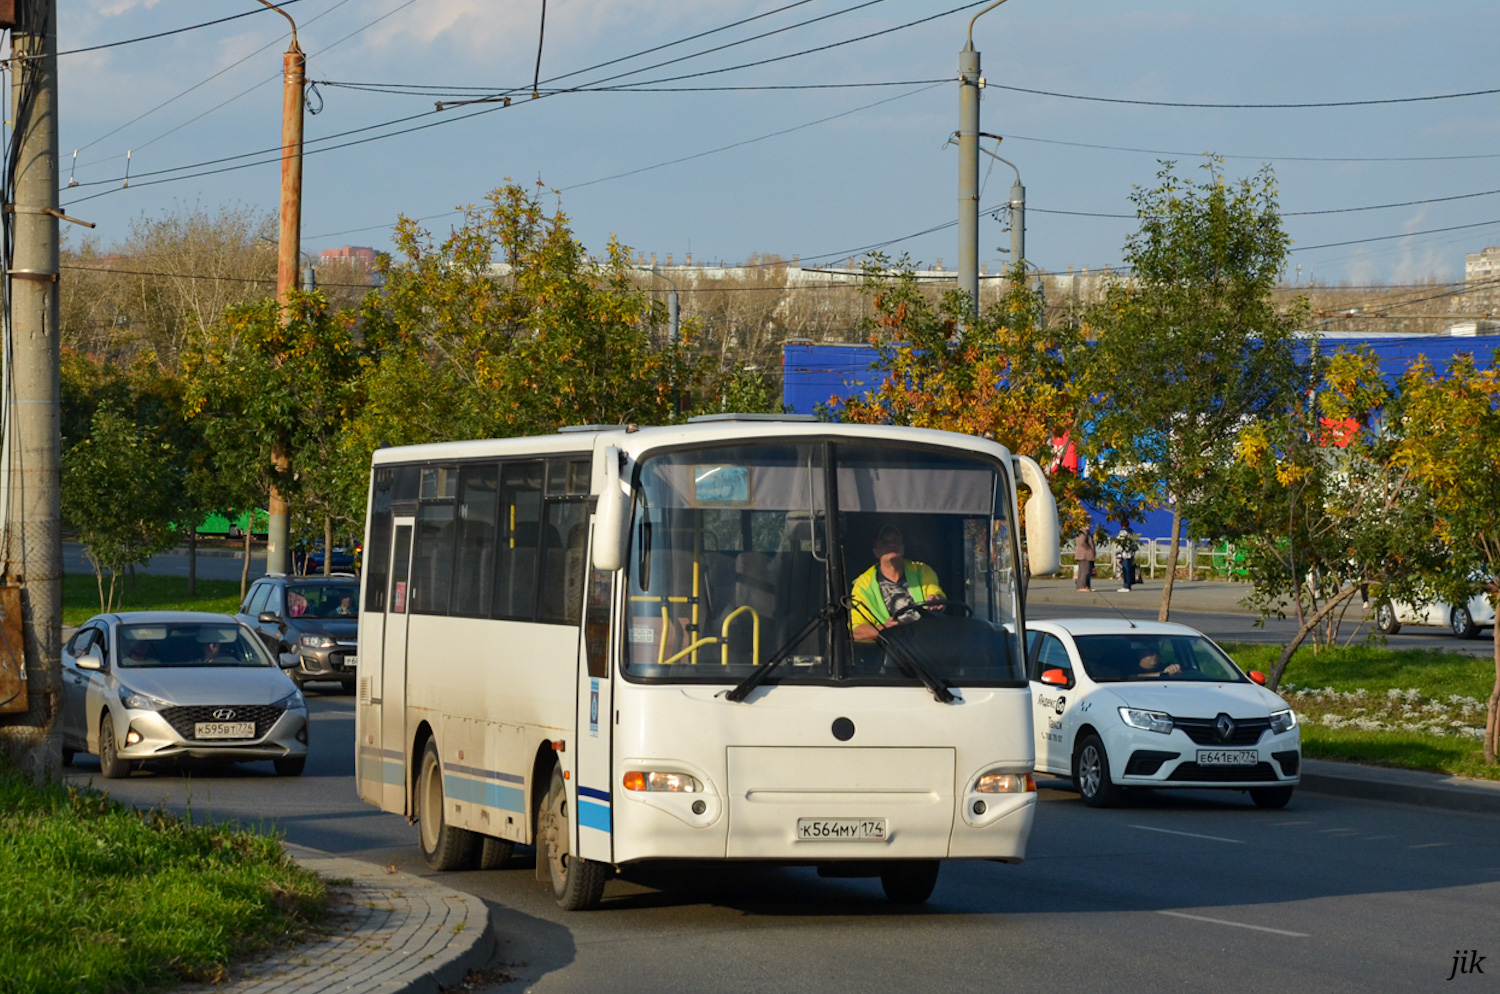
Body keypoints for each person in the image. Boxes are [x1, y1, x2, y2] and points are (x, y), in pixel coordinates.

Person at [849, 525, 946, 642]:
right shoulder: (862, 585)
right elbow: (856, 630)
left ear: (903, 548)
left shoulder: (922, 571)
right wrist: (884, 630)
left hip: (926, 645)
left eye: (896, 541)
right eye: (885, 542)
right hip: (890, 652)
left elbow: (934, 591)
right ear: (875, 551)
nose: (892, 545)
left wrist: (936, 600)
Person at [1115, 523, 1137, 592]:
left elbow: (1120, 544)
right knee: (1129, 570)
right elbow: (1134, 544)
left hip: (1124, 554)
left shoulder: (1122, 533)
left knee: (1125, 570)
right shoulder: (1131, 532)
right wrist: (1133, 554)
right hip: (1130, 554)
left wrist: (1118, 555)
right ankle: (1128, 585)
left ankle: (1126, 586)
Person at [1074, 526, 1096, 592]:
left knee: (1086, 571)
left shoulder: (1085, 532)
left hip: (1085, 555)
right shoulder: (1083, 531)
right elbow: (1082, 542)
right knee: (1084, 571)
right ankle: (1082, 586)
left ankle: (1086, 586)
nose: (1089, 526)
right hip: (1084, 555)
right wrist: (1089, 549)